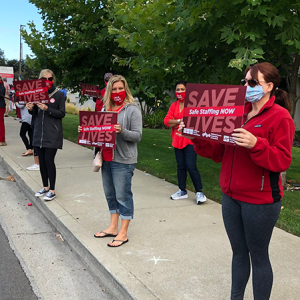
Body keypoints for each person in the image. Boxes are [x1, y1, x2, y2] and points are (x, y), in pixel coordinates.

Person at [180, 62, 295, 300]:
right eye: (244, 82)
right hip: (231, 197)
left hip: (260, 200)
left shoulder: (280, 116)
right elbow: (219, 153)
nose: (246, 86)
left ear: (269, 86)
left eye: (253, 82)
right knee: (238, 253)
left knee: (258, 255)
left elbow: (282, 160)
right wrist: (196, 136)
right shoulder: (236, 112)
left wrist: (256, 144)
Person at [79, 75, 142, 247]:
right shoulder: (105, 109)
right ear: (109, 91)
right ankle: (113, 227)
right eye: (114, 89)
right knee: (110, 194)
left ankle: (123, 232)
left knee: (123, 195)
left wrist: (122, 131)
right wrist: (85, 130)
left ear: (125, 89)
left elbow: (138, 136)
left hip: (123, 159)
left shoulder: (132, 110)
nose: (117, 92)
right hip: (106, 158)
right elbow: (98, 133)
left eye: (120, 88)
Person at [164, 80, 206, 204]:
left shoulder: (193, 105)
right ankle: (182, 191)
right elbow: (166, 121)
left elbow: (195, 122)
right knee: (180, 166)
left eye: (182, 89)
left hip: (190, 141)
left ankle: (199, 192)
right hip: (177, 140)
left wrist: (176, 121)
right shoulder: (174, 106)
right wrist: (178, 121)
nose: (180, 92)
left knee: (191, 166)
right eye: (178, 89)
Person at [26, 69, 65, 201]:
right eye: (44, 79)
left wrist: (47, 109)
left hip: (52, 134)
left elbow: (62, 113)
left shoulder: (59, 94)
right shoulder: (36, 94)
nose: (47, 81)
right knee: (41, 162)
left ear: (53, 80)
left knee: (49, 161)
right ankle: (45, 187)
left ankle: (52, 190)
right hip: (38, 133)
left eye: (50, 79)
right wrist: (31, 109)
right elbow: (35, 114)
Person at [0, 75, 7, 146]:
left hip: (0, 106)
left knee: (1, 123)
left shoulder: (1, 86)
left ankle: (2, 140)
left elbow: (1, 94)